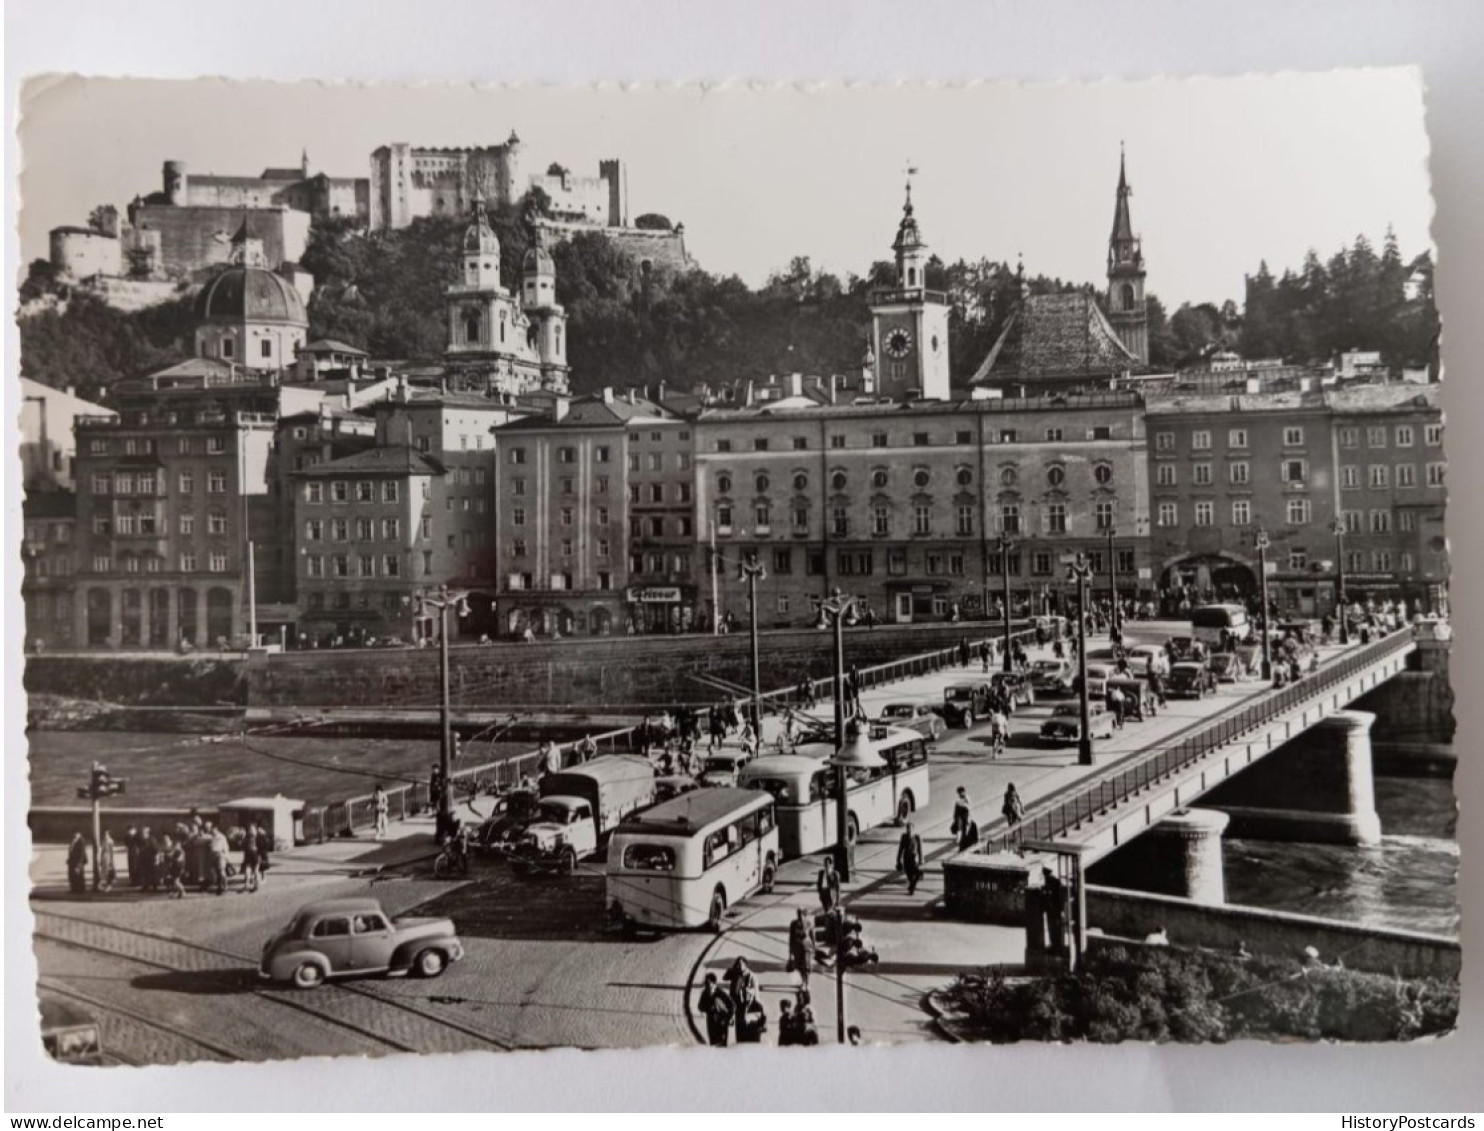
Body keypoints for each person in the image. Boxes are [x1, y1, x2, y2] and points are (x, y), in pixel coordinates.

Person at [698, 972, 732, 1047]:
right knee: (713, 1044)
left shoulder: (720, 993)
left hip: (721, 1023)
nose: (707, 985)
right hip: (711, 1022)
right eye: (706, 983)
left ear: (714, 983)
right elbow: (700, 1006)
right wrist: (708, 1008)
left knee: (722, 1046)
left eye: (709, 982)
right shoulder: (705, 993)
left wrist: (727, 1018)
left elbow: (732, 1005)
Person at [787, 908, 815, 988]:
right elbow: (791, 937)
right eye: (798, 914)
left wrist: (813, 949)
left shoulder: (809, 923)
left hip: (807, 948)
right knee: (799, 966)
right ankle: (803, 981)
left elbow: (812, 937)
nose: (799, 916)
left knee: (806, 966)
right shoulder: (793, 924)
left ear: (804, 914)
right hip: (797, 947)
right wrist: (790, 952)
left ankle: (807, 982)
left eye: (801, 914)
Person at [896, 821, 924, 896]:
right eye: (908, 829)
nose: (909, 830)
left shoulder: (917, 837)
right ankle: (911, 887)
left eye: (910, 829)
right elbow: (900, 849)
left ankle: (912, 887)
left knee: (918, 874)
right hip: (906, 859)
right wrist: (898, 860)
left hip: (913, 859)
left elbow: (920, 849)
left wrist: (921, 860)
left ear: (914, 830)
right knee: (910, 876)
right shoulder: (904, 837)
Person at [206, 823, 231, 896]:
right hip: (212, 855)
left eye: (213, 829)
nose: (212, 831)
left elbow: (226, 847)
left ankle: (225, 886)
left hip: (220, 855)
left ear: (216, 829)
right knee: (214, 871)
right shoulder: (211, 837)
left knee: (221, 872)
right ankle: (219, 886)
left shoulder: (221, 837)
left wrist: (226, 857)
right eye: (211, 829)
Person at [241, 821, 263, 893]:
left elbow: (263, 847)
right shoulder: (247, 837)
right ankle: (246, 885)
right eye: (250, 829)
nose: (251, 830)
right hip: (248, 856)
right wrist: (242, 838)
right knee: (247, 871)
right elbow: (243, 847)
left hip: (256, 856)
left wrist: (259, 854)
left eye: (252, 829)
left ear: (255, 830)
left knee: (256, 871)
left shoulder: (259, 837)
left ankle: (256, 885)